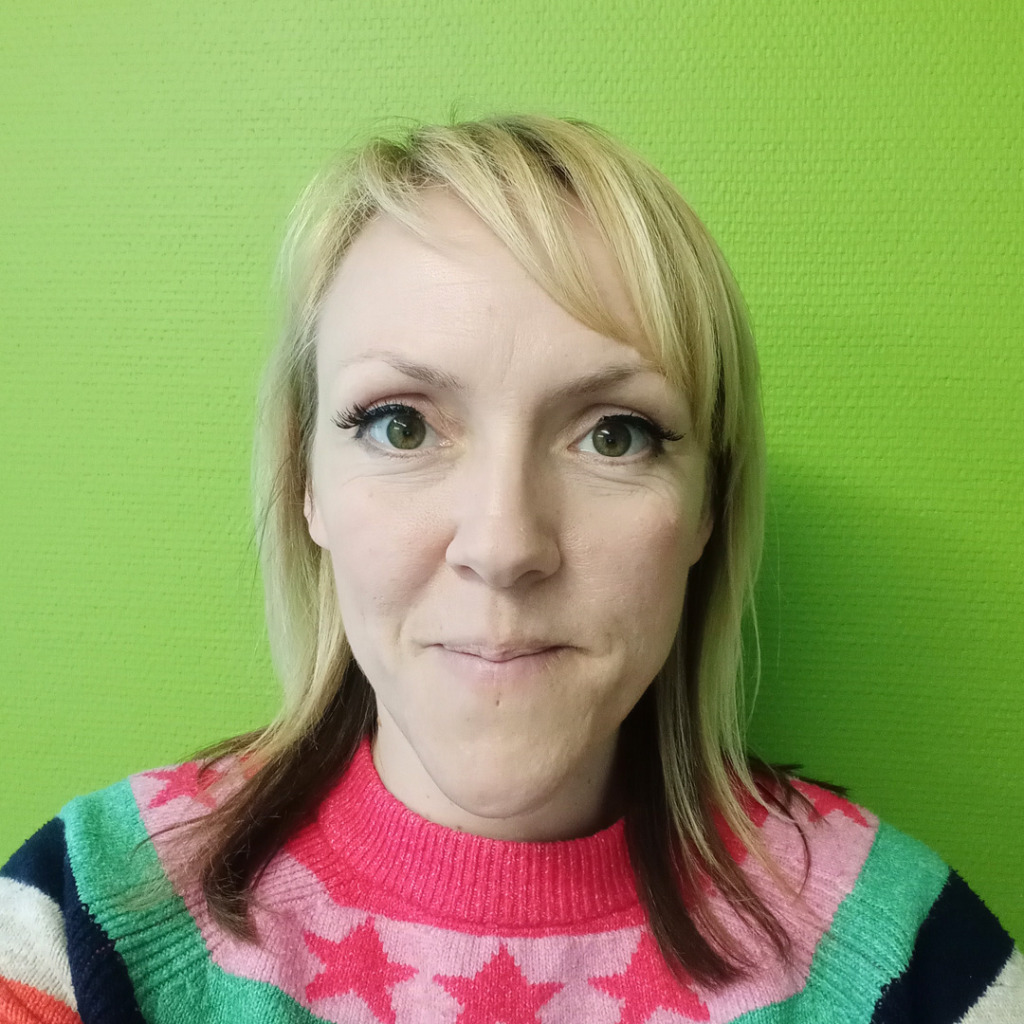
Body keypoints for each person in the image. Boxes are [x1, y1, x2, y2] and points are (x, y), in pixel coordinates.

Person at [0, 114, 1019, 1024]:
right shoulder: (89, 920)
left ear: (708, 506)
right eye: (400, 423)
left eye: (614, 435)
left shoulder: (898, 956)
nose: (502, 545)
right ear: (302, 479)